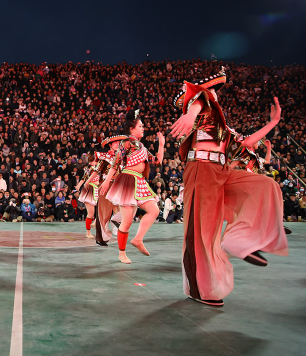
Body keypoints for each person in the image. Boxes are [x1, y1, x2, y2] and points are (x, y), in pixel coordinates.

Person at [170, 68, 288, 306]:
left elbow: (246, 143)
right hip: (201, 170)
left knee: (267, 185)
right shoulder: (202, 108)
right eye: (212, 89)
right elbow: (198, 99)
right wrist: (191, 115)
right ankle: (199, 290)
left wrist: (272, 122)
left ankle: (238, 242)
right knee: (201, 232)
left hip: (221, 172)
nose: (215, 94)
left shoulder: (221, 127)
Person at [100, 110, 165, 264]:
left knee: (154, 210)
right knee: (127, 221)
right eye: (140, 126)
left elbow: (157, 161)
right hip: (128, 181)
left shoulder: (141, 146)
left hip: (140, 182)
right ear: (132, 129)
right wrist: (107, 181)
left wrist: (161, 145)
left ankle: (138, 239)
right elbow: (116, 163)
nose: (143, 128)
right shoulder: (126, 143)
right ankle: (122, 253)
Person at [94, 135, 128, 246]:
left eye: (119, 142)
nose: (118, 144)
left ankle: (117, 225)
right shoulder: (104, 157)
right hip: (106, 185)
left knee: (123, 207)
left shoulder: (123, 157)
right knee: (103, 211)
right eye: (115, 142)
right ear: (110, 145)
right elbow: (96, 171)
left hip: (119, 185)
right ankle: (101, 238)